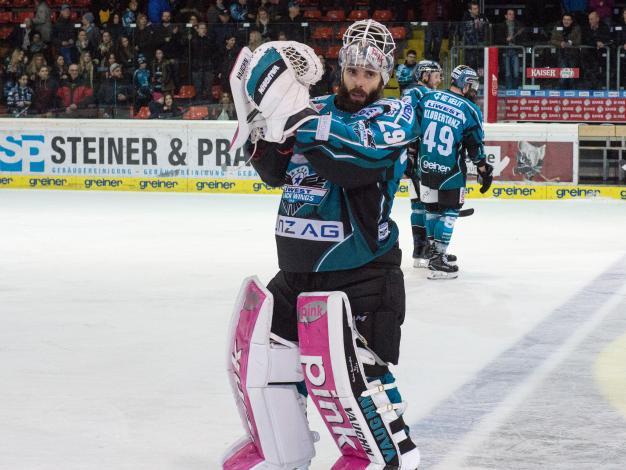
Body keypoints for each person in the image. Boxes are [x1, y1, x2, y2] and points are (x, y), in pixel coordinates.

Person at [227, 19, 421, 469]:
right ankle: (278, 448)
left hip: (361, 270)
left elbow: (352, 161)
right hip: (298, 269)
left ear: (384, 77)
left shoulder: (392, 117)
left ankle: (389, 455)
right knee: (263, 362)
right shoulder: (311, 106)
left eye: (369, 75)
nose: (359, 83)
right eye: (353, 72)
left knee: (356, 379)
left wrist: (296, 119)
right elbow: (276, 173)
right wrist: (261, 124)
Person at [415, 65, 492, 279]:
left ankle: (433, 252)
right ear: (462, 83)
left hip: (426, 166)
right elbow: (475, 146)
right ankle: (438, 258)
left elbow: (414, 128)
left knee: (432, 209)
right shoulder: (469, 109)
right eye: (471, 85)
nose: (473, 89)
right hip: (450, 170)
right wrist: (484, 168)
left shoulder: (428, 98)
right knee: (449, 212)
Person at [401, 60, 443, 268]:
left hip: (419, 155)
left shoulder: (425, 93)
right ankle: (424, 250)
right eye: (435, 74)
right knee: (423, 203)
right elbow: (407, 122)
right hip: (418, 156)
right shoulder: (415, 93)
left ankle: (421, 250)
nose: (439, 77)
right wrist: (409, 155)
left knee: (420, 203)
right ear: (424, 74)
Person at [494, 8, 525, 89]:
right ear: (506, 16)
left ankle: (515, 89)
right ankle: (509, 90)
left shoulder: (518, 25)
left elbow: (523, 39)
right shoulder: (501, 26)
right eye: (510, 14)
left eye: (513, 14)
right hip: (505, 51)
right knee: (507, 72)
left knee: (516, 72)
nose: (512, 16)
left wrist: (517, 38)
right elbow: (497, 39)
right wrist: (506, 40)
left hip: (515, 50)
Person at [550, 13, 582, 89]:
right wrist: (560, 43)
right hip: (562, 54)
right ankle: (560, 96)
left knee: (572, 78)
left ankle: (572, 97)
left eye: (568, 20)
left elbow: (578, 41)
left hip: (573, 55)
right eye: (564, 19)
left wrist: (569, 43)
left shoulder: (576, 28)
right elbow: (552, 40)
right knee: (563, 77)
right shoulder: (557, 27)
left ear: (571, 21)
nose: (566, 21)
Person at [582, 10, 611, 89]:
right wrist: (596, 42)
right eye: (589, 19)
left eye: (591, 19)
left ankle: (603, 88)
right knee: (589, 73)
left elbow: (608, 38)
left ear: (597, 19)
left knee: (602, 73)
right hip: (589, 55)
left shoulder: (604, 26)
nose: (589, 21)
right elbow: (585, 39)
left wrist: (602, 42)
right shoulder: (586, 28)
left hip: (602, 55)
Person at [461, 1, 489, 72]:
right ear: (470, 10)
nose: (477, 10)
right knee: (471, 67)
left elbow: (487, 28)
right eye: (474, 9)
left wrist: (481, 26)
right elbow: (463, 32)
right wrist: (473, 26)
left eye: (477, 8)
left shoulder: (482, 16)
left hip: (480, 46)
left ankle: (481, 80)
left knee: (481, 67)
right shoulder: (466, 18)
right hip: (470, 48)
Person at [189, 22, 213, 100]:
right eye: (201, 28)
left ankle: (210, 104)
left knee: (208, 87)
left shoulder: (210, 39)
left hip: (208, 66)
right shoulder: (193, 39)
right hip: (197, 66)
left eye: (204, 28)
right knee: (198, 88)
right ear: (197, 30)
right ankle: (198, 102)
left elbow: (212, 52)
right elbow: (191, 52)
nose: (203, 30)